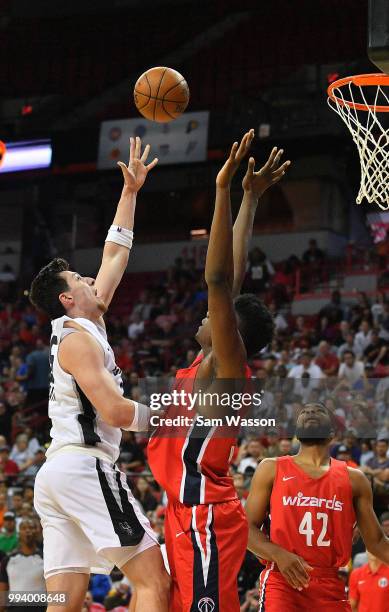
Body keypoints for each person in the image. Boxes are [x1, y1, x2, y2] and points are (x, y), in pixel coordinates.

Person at [148, 131, 289, 612]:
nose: (206, 315)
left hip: (205, 517)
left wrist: (222, 189)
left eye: (217, 316)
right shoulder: (204, 364)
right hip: (183, 512)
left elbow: (218, 281)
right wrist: (250, 198)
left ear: (233, 334)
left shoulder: (227, 369)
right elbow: (234, 272)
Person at [30, 137, 170, 612]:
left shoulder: (87, 323)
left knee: (64, 603)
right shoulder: (77, 340)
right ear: (68, 299)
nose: (89, 279)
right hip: (84, 466)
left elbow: (114, 255)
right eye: (78, 281)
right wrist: (171, 416)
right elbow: (113, 409)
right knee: (154, 580)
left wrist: (130, 192)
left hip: (58, 475)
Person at [245, 401, 389, 611]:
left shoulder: (355, 479)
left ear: (332, 433)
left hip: (330, 583)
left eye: (319, 411)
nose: (310, 411)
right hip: (283, 580)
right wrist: (277, 553)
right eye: (304, 411)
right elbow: (246, 528)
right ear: (296, 431)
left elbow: (376, 542)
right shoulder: (271, 468)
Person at [0, 518, 45, 612]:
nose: (28, 530)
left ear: (37, 532)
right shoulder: (8, 560)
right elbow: (2, 594)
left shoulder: (46, 559)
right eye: (23, 528)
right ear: (18, 533)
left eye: (31, 527)